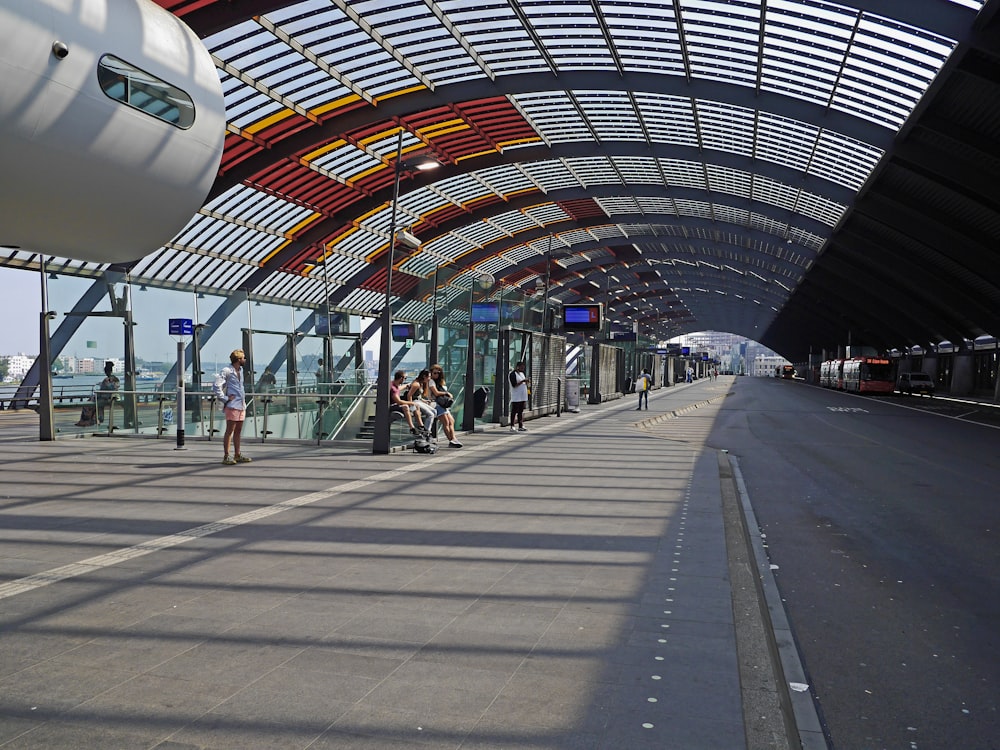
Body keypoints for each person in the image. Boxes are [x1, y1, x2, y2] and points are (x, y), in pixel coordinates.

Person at [213, 349, 251, 465]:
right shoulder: (227, 371)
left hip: (241, 405)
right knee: (230, 431)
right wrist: (224, 398)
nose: (245, 360)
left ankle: (237, 454)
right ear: (238, 359)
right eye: (243, 358)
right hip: (232, 405)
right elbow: (216, 385)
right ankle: (226, 455)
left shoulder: (241, 370)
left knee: (238, 431)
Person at [428, 363, 462, 447]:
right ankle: (451, 440)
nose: (436, 375)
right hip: (437, 404)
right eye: (435, 373)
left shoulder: (440, 382)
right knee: (446, 422)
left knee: (451, 421)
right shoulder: (431, 382)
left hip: (443, 405)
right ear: (431, 373)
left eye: (438, 373)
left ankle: (453, 439)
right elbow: (435, 393)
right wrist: (446, 393)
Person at [508, 361, 530, 431]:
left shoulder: (522, 374)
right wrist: (523, 381)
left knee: (521, 411)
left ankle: (520, 425)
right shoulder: (512, 374)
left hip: (522, 395)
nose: (523, 368)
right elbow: (514, 385)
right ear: (517, 367)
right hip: (516, 395)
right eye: (521, 367)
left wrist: (526, 382)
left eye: (523, 367)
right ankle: (512, 425)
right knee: (514, 410)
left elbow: (523, 383)